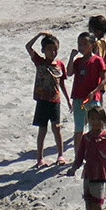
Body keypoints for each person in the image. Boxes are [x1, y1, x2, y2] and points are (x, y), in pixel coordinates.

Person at [25, 32, 70, 168]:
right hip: (42, 100)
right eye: (49, 49)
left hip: (55, 101)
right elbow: (28, 46)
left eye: (55, 49)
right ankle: (40, 158)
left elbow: (62, 83)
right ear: (43, 50)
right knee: (42, 130)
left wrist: (68, 100)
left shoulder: (60, 65)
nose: (53, 52)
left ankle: (60, 155)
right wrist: (39, 35)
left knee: (57, 128)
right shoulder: (39, 62)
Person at [69, 32, 106, 151]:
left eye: (85, 44)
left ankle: (92, 152)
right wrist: (71, 57)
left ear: (92, 45)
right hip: (79, 100)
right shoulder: (78, 61)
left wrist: (94, 92)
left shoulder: (97, 60)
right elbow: (69, 73)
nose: (82, 47)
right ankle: (78, 155)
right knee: (79, 128)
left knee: (94, 128)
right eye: (79, 44)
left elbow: (104, 80)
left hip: (92, 99)